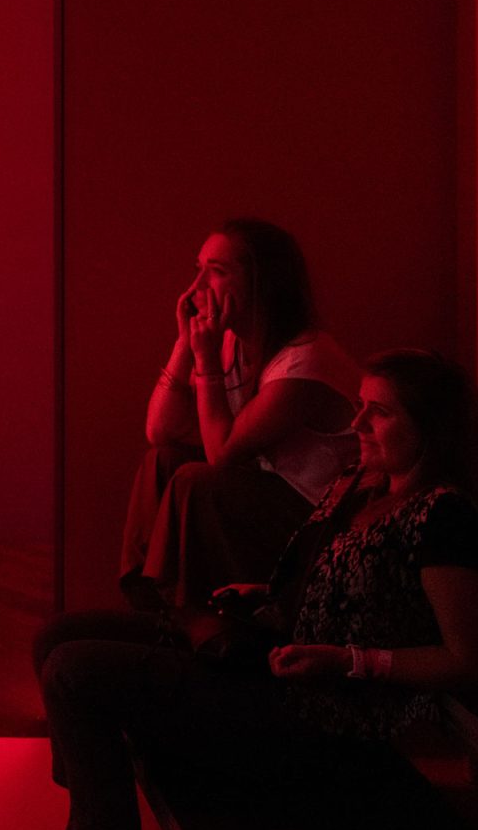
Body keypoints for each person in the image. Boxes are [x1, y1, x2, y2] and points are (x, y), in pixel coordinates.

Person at [34, 350, 478, 830]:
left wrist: (347, 660)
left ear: (431, 429)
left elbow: (466, 660)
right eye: (361, 405)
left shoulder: (444, 518)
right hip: (278, 661)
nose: (357, 422)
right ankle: (92, 821)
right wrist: (265, 593)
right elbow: (336, 582)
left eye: (380, 412)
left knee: (73, 672)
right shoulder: (362, 485)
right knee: (58, 636)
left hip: (323, 713)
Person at [118, 219, 358, 611]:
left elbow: (222, 453)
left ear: (260, 283)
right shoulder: (232, 343)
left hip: (317, 521)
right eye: (199, 269)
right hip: (269, 494)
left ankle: (185, 614)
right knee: (162, 461)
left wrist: (206, 360)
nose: (196, 288)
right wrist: (184, 344)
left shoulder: (304, 361)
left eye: (217, 272)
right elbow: (159, 430)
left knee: (196, 481)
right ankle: (148, 602)